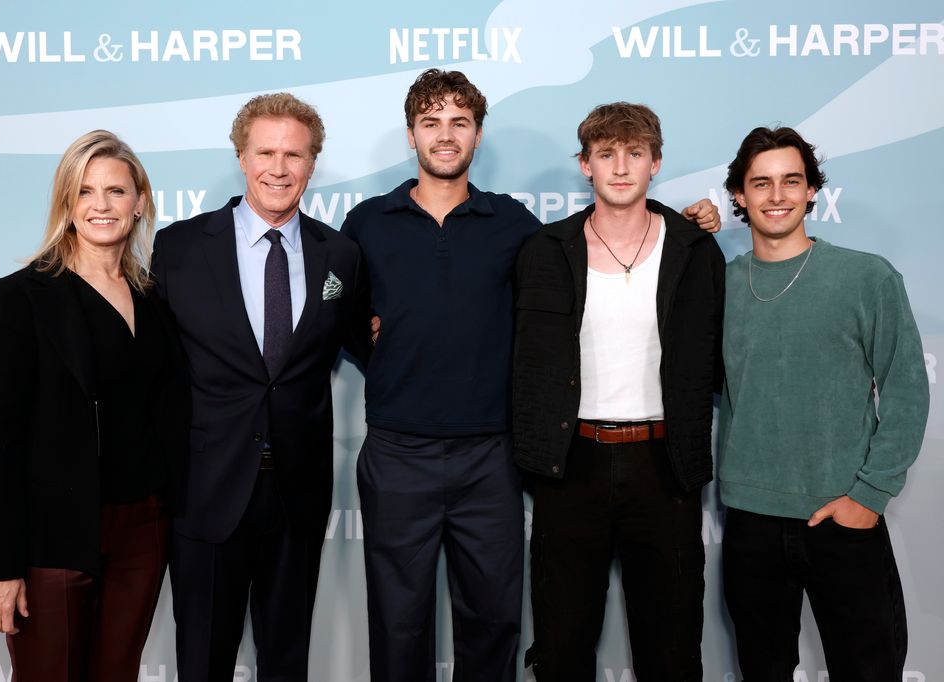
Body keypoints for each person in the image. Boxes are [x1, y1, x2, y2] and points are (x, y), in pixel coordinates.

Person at [342, 71, 721, 682]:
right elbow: (336, 312)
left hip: (492, 451)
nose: (445, 136)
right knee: (397, 619)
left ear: (478, 135)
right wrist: (372, 340)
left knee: (493, 619)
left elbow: (612, 239)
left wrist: (685, 222)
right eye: (431, 123)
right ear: (411, 134)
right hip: (397, 449)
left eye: (459, 123)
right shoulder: (365, 223)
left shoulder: (517, 227)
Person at [0, 130, 189, 682]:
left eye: (116, 191)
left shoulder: (156, 298)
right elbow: (2, 441)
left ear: (141, 202)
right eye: (84, 192)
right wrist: (1, 568)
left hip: (141, 532)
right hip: (51, 534)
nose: (101, 206)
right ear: (66, 203)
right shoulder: (20, 298)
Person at [153, 93, 370, 682]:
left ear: (312, 163)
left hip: (297, 495)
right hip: (207, 489)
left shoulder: (341, 256)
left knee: (287, 662)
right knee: (203, 660)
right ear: (242, 158)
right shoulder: (179, 249)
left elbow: (370, 343)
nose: (279, 168)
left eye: (294, 154)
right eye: (266, 152)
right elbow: (153, 375)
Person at [511, 102, 724, 681]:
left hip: (664, 465)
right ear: (585, 165)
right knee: (560, 644)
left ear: (657, 162)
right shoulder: (545, 251)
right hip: (570, 462)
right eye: (607, 154)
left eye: (634, 153)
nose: (621, 167)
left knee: (672, 647)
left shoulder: (694, 248)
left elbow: (717, 359)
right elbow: (522, 360)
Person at [719, 126, 929, 681]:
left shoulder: (866, 276)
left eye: (792, 180)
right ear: (739, 195)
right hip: (750, 520)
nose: (777, 195)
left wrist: (870, 494)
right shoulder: (719, 286)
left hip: (842, 515)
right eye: (760, 183)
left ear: (813, 190)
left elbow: (907, 389)